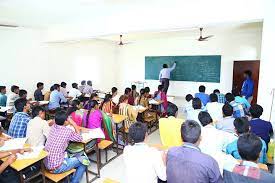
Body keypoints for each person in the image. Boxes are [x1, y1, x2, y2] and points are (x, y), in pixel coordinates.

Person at [44, 110, 87, 183]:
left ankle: (68, 177)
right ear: (65, 121)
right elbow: (80, 138)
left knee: (70, 153)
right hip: (56, 167)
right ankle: (74, 181)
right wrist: (73, 123)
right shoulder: (67, 131)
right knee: (84, 160)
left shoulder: (53, 127)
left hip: (46, 164)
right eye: (68, 119)